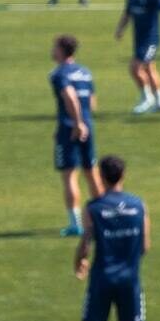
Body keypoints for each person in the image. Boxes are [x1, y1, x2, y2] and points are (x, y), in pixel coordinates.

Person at [71, 155, 153, 321]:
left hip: (101, 281)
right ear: (123, 176)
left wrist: (80, 261)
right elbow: (145, 246)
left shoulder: (93, 208)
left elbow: (86, 241)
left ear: (101, 177)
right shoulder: (138, 206)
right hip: (129, 280)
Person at [50, 35, 103, 236]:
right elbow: (92, 101)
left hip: (70, 127)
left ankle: (76, 224)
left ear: (62, 50)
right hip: (88, 126)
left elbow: (70, 96)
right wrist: (84, 121)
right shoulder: (85, 72)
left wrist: (75, 123)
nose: (52, 50)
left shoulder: (58, 74)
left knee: (69, 175)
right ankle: (101, 218)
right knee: (92, 172)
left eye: (54, 47)